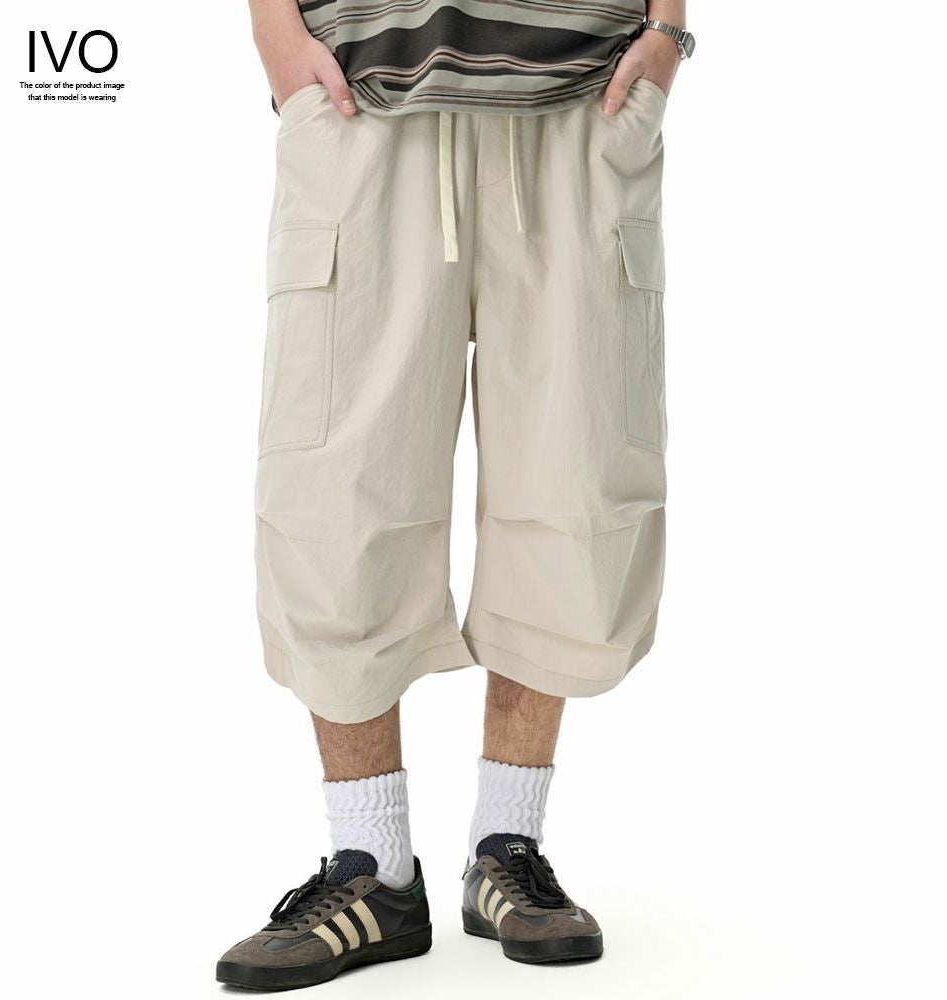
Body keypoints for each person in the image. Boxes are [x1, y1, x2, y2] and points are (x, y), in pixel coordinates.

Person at [217, 0, 693, 989]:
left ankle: (506, 846)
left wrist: (667, 28)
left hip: (584, 84)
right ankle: (372, 865)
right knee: (335, 487)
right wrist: (272, 27)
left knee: (575, 478)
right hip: (360, 90)